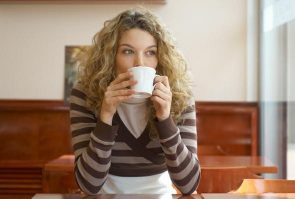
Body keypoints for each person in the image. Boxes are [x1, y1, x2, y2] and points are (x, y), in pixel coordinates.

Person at [69, 8, 200, 195]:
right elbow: (89, 186)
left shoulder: (179, 94)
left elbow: (189, 185)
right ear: (110, 57)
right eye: (128, 51)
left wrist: (164, 118)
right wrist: (106, 115)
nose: (140, 63)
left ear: (161, 58)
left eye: (150, 52)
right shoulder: (85, 93)